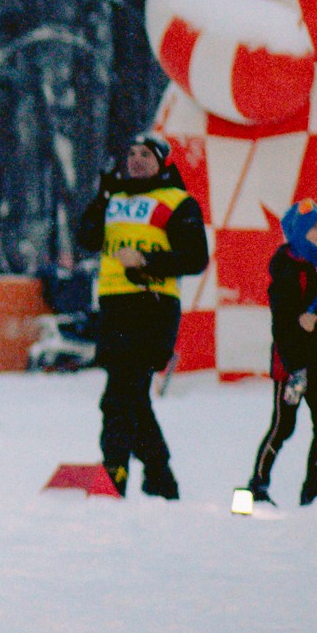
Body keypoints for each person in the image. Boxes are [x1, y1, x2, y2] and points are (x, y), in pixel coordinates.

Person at [71, 130, 206, 499]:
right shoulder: (113, 197)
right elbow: (87, 238)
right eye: (131, 153)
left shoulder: (177, 201)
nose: (136, 160)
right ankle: (160, 477)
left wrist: (147, 261)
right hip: (115, 307)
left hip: (153, 307)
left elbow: (196, 258)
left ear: (161, 162)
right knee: (131, 397)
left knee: (118, 397)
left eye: (146, 154)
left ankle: (114, 474)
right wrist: (101, 196)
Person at [246, 200, 317, 506]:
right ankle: (253, 491)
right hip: (292, 367)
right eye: (314, 227)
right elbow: (281, 323)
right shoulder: (287, 269)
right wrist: (295, 363)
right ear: (298, 232)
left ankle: (312, 496)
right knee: (282, 427)